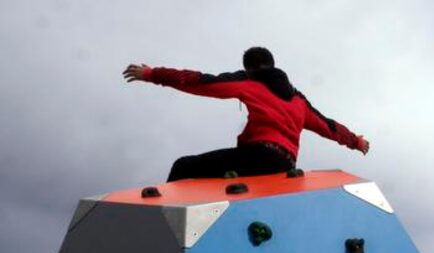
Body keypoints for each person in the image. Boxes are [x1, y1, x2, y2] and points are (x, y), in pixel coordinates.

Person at [122, 47, 370, 181]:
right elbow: (329, 127)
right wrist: (355, 141)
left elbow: (200, 82)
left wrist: (153, 74)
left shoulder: (250, 82)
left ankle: (166, 231)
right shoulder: (298, 100)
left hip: (256, 158)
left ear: (249, 68)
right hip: (285, 167)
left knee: (184, 166)